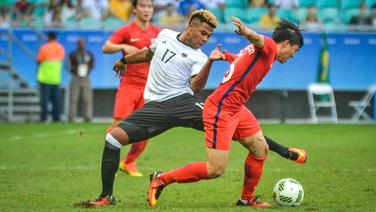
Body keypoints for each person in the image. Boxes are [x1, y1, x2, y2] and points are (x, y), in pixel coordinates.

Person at [77, 10, 306, 208]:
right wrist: (125, 61)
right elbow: (148, 52)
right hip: (162, 107)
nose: (206, 39)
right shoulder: (165, 35)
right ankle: (110, 195)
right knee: (113, 139)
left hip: (187, 102)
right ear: (191, 27)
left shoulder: (200, 56)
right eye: (203, 33)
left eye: (209, 36)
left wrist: (214, 59)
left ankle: (252, 192)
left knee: (255, 145)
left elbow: (196, 86)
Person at [147, 17, 304, 208]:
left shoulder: (259, 53)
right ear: (286, 43)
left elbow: (240, 60)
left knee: (259, 149)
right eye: (294, 52)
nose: (292, 57)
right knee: (215, 169)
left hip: (237, 108)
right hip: (221, 110)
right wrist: (247, 32)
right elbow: (259, 39)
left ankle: (246, 198)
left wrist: (226, 56)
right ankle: (162, 179)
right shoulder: (269, 46)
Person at [102, 0, 160, 177]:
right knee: (118, 126)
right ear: (135, 9)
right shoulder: (126, 30)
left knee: (146, 129)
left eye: (149, 6)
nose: (146, 9)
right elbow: (106, 47)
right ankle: (108, 161)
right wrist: (123, 46)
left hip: (149, 89)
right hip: (129, 85)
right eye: (142, 6)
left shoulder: (157, 33)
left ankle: (129, 163)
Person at [36, 31, 65, 122]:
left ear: (49, 37)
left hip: (45, 78)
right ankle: (56, 118)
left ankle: (44, 118)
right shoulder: (60, 48)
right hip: (56, 78)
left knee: (44, 101)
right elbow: (61, 59)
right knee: (56, 101)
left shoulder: (44, 47)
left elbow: (39, 60)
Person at [67, 38, 94, 122]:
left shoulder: (88, 54)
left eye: (83, 43)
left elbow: (92, 64)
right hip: (76, 77)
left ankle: (87, 117)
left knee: (87, 99)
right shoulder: (73, 54)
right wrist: (73, 70)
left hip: (86, 78)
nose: (81, 45)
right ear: (77, 44)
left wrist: (88, 70)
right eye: (80, 43)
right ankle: (71, 117)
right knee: (73, 98)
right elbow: (68, 65)